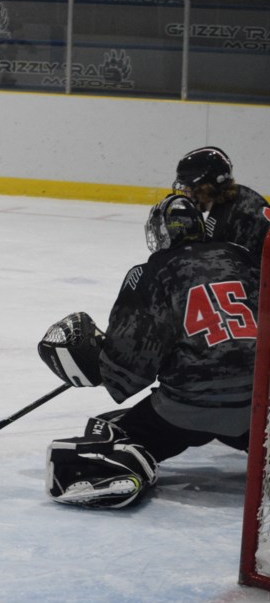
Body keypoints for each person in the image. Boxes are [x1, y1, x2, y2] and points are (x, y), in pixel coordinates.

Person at [37, 194, 260, 508]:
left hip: (189, 409)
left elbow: (131, 368)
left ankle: (121, 467)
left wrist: (95, 363)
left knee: (109, 431)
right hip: (259, 407)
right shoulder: (245, 258)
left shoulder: (152, 272)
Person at [172, 146, 270, 261]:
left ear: (205, 187)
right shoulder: (242, 194)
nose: (185, 192)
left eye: (188, 187)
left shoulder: (222, 225)